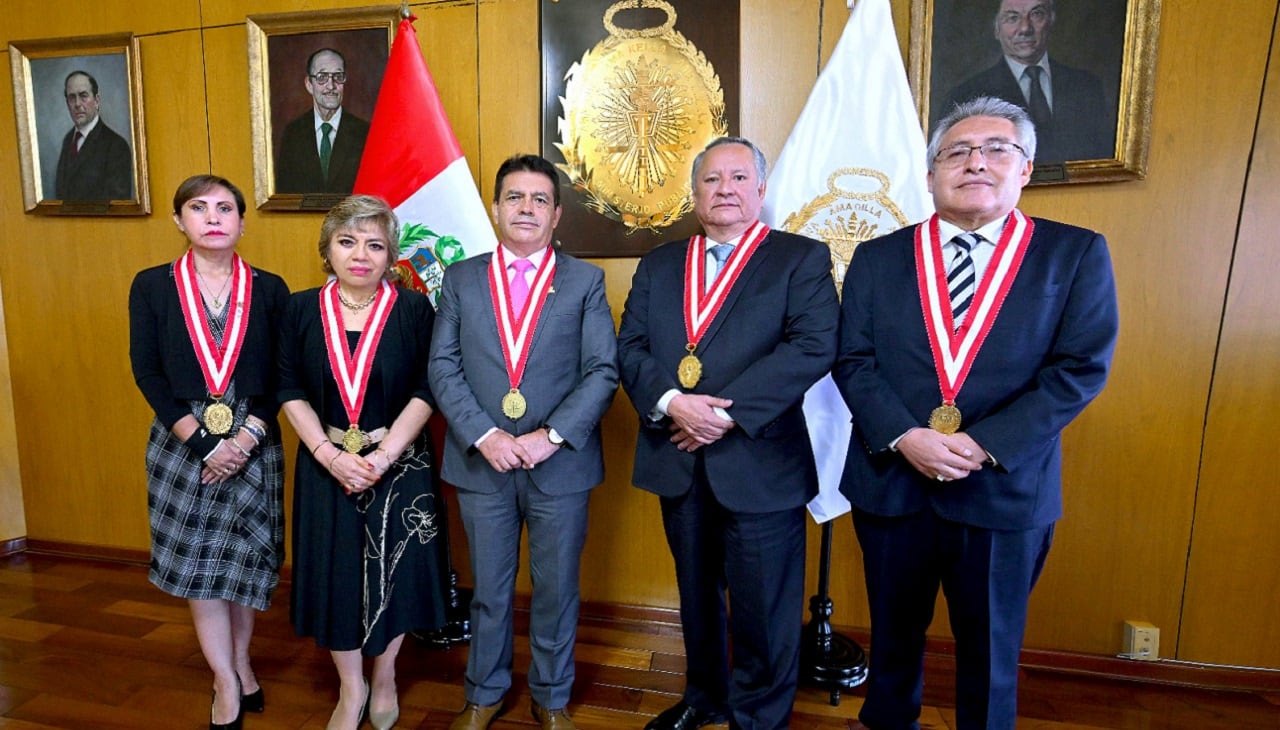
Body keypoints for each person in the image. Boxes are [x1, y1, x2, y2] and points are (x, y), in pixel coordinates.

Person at [834, 96, 1119, 729]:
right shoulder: (879, 258)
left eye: (996, 149)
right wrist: (906, 436)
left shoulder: (1071, 255)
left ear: (1026, 167)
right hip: (893, 484)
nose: (975, 163)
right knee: (892, 644)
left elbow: (1080, 368)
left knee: (990, 656)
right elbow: (853, 360)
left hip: (1002, 489)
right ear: (932, 171)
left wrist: (983, 444)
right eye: (956, 152)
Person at [616, 136, 838, 730]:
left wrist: (722, 415)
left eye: (739, 179)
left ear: (761, 191)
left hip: (760, 461)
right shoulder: (661, 263)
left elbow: (812, 346)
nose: (726, 191)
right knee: (697, 598)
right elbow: (630, 347)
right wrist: (671, 402)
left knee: (764, 606)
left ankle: (759, 718)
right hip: (678, 459)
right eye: (712, 181)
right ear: (694, 195)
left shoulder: (800, 258)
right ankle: (704, 697)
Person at [429, 154, 618, 730]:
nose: (527, 208)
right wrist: (485, 434)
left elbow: (602, 371)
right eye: (515, 197)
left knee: (557, 588)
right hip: (481, 463)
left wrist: (550, 437)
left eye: (539, 199)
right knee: (488, 589)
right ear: (495, 207)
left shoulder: (585, 281)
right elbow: (443, 367)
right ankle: (483, 693)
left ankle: (552, 696)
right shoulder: (462, 278)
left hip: (558, 465)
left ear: (557, 214)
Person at [279, 195, 448, 730]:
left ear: (391, 255)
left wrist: (385, 454)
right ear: (327, 249)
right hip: (324, 462)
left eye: (375, 244)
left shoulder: (414, 310)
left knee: (395, 575)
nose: (361, 254)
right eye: (347, 241)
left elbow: (428, 386)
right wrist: (330, 455)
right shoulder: (300, 309)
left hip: (399, 464)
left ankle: (386, 676)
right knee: (337, 575)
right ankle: (350, 687)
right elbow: (286, 386)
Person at [128, 174, 288, 730]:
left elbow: (281, 377)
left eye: (225, 208)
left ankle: (242, 661)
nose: (213, 217)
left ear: (242, 222)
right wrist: (201, 440)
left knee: (244, 566)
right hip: (181, 443)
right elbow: (147, 371)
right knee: (200, 568)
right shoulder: (151, 286)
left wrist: (244, 439)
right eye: (199, 207)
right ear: (179, 220)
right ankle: (223, 679)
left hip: (254, 439)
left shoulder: (269, 289)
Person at [941, 0, 1112, 162]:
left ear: (1051, 20)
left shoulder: (1087, 87)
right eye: (1012, 18)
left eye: (1036, 14)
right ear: (996, 29)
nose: (1025, 28)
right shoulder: (966, 96)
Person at [275, 48, 370, 194]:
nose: (331, 86)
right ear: (309, 84)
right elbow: (284, 193)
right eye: (322, 77)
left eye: (338, 76)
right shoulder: (293, 133)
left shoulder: (365, 133)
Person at [55, 70, 133, 200]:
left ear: (96, 101)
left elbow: (118, 205)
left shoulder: (116, 146)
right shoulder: (68, 140)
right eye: (72, 97)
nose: (77, 104)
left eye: (83, 96)